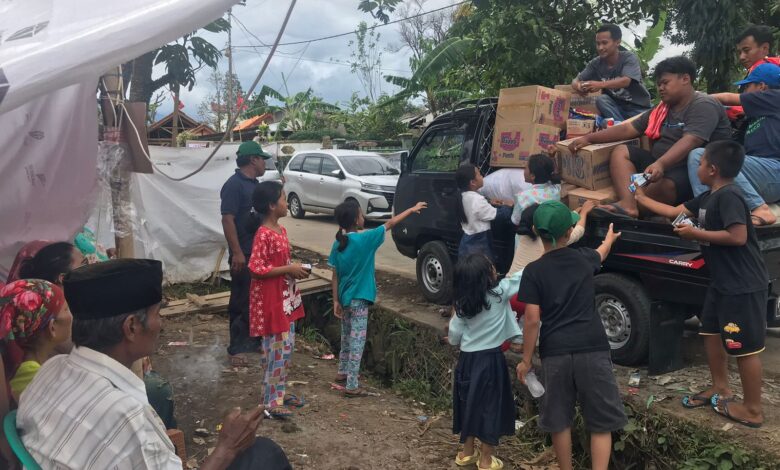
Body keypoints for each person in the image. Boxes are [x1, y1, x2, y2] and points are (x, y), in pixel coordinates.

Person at [17, 259, 292, 469]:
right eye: (158, 313)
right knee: (264, 455)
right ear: (132, 327)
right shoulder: (127, 415)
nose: (162, 323)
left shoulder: (49, 371)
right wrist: (226, 448)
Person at [635, 141, 767, 428]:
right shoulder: (708, 197)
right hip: (721, 283)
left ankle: (753, 409)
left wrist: (695, 234)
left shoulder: (730, 196)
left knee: (744, 346)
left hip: (742, 284)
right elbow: (673, 211)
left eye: (700, 163)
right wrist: (639, 194)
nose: (697, 168)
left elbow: (738, 236)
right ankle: (721, 388)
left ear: (712, 169)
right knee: (710, 332)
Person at [516, 201, 626, 470]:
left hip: (556, 353)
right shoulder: (584, 258)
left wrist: (526, 360)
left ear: (535, 231)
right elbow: (602, 252)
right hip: (593, 349)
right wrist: (609, 238)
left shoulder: (533, 271)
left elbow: (532, 320)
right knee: (601, 422)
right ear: (569, 232)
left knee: (559, 419)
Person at [570, 56, 732, 218]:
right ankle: (629, 205)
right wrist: (589, 139)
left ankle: (637, 205)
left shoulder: (703, 104)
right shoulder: (662, 109)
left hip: (690, 170)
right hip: (657, 165)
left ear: (685, 79)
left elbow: (691, 140)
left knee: (665, 186)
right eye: (659, 84)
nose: (661, 88)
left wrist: (660, 164)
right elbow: (628, 129)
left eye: (665, 83)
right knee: (621, 152)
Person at [329, 199, 427, 397]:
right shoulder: (365, 239)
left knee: (347, 337)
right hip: (360, 299)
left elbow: (335, 275)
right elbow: (390, 224)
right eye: (361, 214)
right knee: (357, 341)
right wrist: (410, 209)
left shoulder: (338, 243)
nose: (363, 217)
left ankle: (342, 372)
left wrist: (336, 301)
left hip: (345, 298)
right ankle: (352, 385)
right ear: (356, 220)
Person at [448, 254, 523, 470]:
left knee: (468, 404)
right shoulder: (499, 294)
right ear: (487, 276)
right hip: (490, 362)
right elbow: (521, 277)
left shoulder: (463, 304)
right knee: (491, 408)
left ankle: (466, 453)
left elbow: (454, 335)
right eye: (491, 266)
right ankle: (486, 460)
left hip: (467, 361)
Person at [688, 63, 780, 226]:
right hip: (762, 175)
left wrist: (691, 98)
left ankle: (759, 209)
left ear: (762, 87)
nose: (743, 91)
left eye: (746, 87)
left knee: (700, 156)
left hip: (775, 171)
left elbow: (725, 98)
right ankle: (710, 218)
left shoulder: (776, 96)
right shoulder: (759, 113)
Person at [247, 182, 308, 419]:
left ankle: (277, 393)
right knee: (276, 350)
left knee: (285, 348)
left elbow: (280, 264)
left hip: (284, 298)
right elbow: (256, 268)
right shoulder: (263, 234)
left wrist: (293, 269)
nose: (286, 202)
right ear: (272, 205)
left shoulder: (281, 231)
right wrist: (288, 268)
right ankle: (271, 402)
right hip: (271, 301)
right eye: (283, 198)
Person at [221, 141, 271, 367]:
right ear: (253, 160)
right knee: (241, 300)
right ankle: (236, 348)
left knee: (257, 299)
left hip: (258, 253)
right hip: (244, 253)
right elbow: (227, 219)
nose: (264, 163)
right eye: (262, 159)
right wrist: (237, 252)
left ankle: (253, 342)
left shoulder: (255, 185)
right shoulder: (234, 185)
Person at [0, 280, 72, 402]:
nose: (71, 315)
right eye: (66, 309)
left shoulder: (18, 361)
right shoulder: (33, 376)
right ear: (52, 327)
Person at [572, 24, 652, 120]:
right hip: (617, 108)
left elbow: (626, 81)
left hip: (638, 109)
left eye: (604, 43)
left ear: (617, 42)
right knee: (602, 100)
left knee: (650, 123)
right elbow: (575, 81)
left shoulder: (629, 57)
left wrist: (600, 84)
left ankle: (624, 129)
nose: (600, 47)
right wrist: (579, 86)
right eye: (598, 44)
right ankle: (621, 128)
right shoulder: (595, 63)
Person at [508, 201, 594, 276]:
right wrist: (584, 212)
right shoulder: (551, 240)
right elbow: (578, 231)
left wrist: (573, 212)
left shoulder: (523, 236)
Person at [456, 164, 500, 261]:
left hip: (467, 241)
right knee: (481, 271)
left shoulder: (464, 195)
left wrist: (488, 201)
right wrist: (507, 205)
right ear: (472, 182)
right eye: (479, 174)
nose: (482, 176)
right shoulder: (477, 199)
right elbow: (497, 215)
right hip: (479, 243)